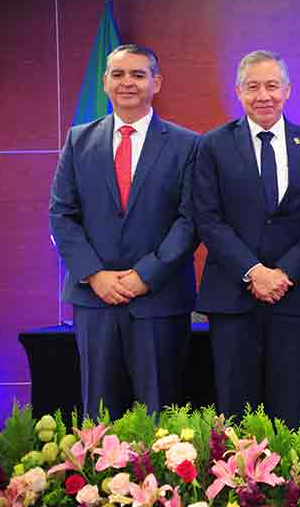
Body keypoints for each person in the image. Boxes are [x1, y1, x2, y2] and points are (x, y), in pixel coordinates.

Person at [49, 44, 199, 418]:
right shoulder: (78, 140)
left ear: (156, 82)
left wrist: (146, 275)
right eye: (118, 74)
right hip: (95, 298)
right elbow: (61, 215)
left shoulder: (188, 144)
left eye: (137, 74)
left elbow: (191, 219)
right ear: (105, 83)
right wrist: (95, 275)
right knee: (98, 419)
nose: (127, 83)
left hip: (159, 298)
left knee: (160, 418)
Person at [193, 50, 300, 426]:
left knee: (289, 409)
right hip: (232, 296)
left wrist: (283, 272)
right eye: (253, 86)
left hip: (294, 295)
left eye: (272, 85)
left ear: (287, 90)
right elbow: (207, 219)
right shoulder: (212, 145)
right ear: (239, 92)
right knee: (235, 411)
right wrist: (254, 271)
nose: (264, 95)